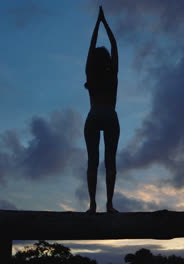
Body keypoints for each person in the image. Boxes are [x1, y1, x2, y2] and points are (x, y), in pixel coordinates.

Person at [84, 6, 119, 213]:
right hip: (109, 115)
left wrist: (96, 24)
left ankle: (92, 205)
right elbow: (114, 45)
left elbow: (90, 48)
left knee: (93, 162)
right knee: (110, 162)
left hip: (94, 115)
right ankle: (109, 204)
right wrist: (105, 23)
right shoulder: (112, 73)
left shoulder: (90, 73)